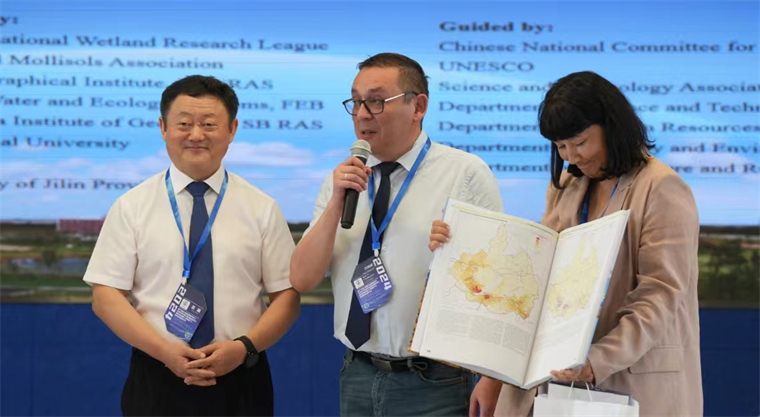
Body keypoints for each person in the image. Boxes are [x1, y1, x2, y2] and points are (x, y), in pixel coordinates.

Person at [430, 71, 703, 416]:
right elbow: (537, 279)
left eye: (580, 142)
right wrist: (458, 241)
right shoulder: (567, 185)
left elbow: (660, 295)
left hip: (628, 382)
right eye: (561, 147)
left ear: (612, 126)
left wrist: (597, 360)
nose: (572, 156)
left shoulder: (661, 186)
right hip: (552, 384)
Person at [290, 52, 505, 416]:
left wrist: (492, 376)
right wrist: (335, 204)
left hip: (435, 381)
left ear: (418, 106)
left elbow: (497, 285)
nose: (362, 114)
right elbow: (302, 278)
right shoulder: (341, 180)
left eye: (376, 101)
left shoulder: (465, 174)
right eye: (356, 102)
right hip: (357, 371)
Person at [84, 75, 300, 416]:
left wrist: (244, 347)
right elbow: (105, 296)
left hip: (241, 372)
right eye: (184, 124)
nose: (196, 135)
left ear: (232, 129)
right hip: (157, 370)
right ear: (163, 127)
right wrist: (164, 351)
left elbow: (286, 296)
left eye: (209, 124)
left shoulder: (262, 208)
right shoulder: (132, 206)